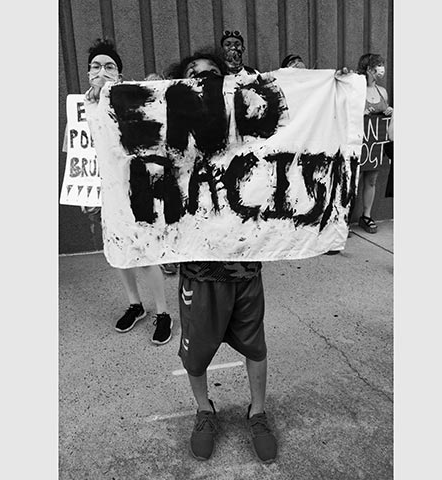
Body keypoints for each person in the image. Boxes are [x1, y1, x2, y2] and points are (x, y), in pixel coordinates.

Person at [166, 49, 278, 464]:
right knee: (196, 353)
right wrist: (102, 98)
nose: (203, 80)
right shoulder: (172, 137)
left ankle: (258, 412)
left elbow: (294, 131)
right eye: (194, 75)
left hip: (244, 267)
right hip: (199, 273)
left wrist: (335, 90)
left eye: (212, 74)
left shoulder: (245, 132)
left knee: (255, 346)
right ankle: (204, 410)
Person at [83, 38, 174, 345]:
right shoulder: (82, 106)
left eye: (109, 66)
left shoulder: (131, 101)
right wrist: (85, 192)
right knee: (118, 251)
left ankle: (163, 312)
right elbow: (80, 153)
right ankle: (135, 304)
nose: (101, 71)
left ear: (119, 75)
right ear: (88, 72)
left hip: (136, 189)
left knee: (145, 252)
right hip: (107, 192)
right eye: (96, 66)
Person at [354, 53, 393, 234]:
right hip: (358, 143)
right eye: (378, 65)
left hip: (375, 145)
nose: (381, 69)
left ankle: (366, 215)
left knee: (372, 180)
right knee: (352, 181)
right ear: (369, 69)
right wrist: (360, 112)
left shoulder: (382, 91)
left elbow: (385, 115)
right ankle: (344, 218)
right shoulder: (356, 90)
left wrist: (388, 111)